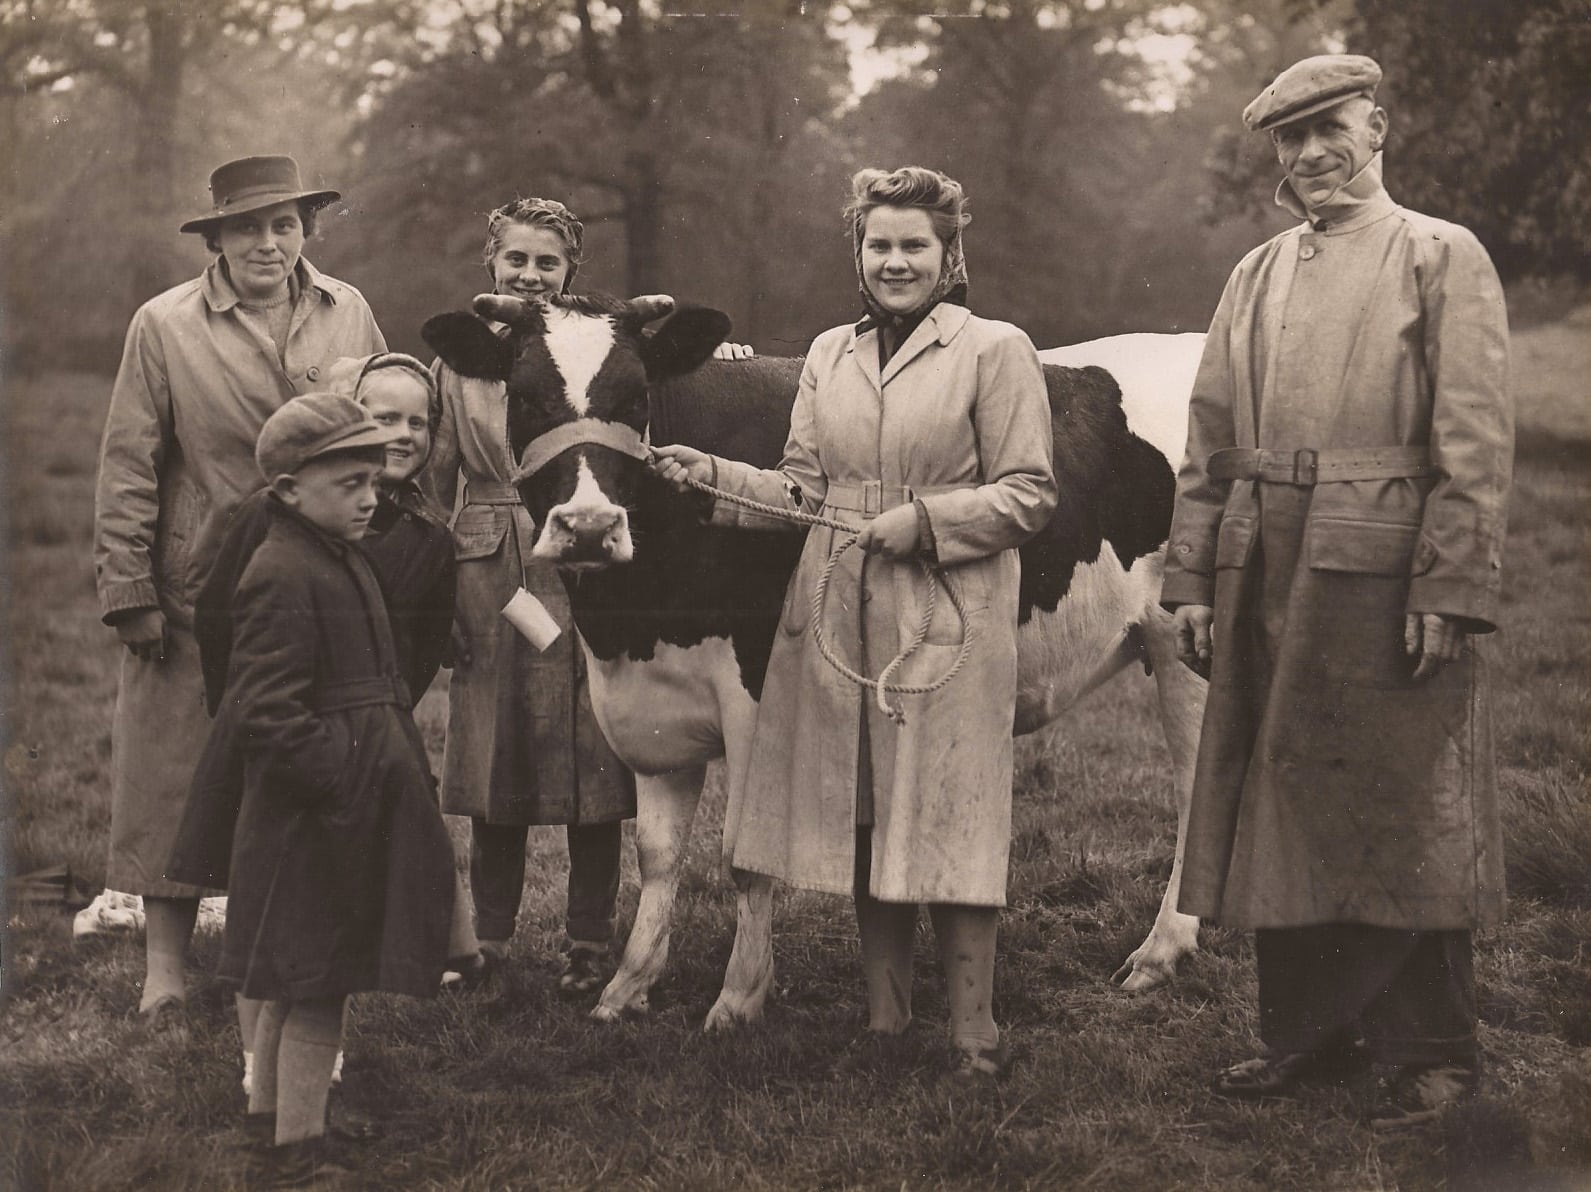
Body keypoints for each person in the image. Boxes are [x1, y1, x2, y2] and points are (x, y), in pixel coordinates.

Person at [1159, 55, 1512, 1128]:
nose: (1311, 153)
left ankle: (1433, 1048)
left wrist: (1447, 584)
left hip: (1382, 567)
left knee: (1401, 797)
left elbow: (1474, 443)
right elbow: (1209, 444)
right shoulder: (1255, 274)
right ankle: (1307, 1038)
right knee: (1282, 795)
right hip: (1261, 566)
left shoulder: (1440, 255)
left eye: (1332, 130)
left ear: (1379, 129)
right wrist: (1190, 577)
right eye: (1290, 138)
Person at [651, 166, 1057, 1077]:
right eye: (879, 244)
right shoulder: (831, 353)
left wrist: (926, 523)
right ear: (858, 254)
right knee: (867, 810)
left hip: (947, 607)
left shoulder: (995, 349)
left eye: (915, 244)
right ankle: (883, 1021)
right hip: (837, 604)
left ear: (950, 257)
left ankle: (973, 1031)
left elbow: (1029, 494)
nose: (895, 261)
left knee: (949, 806)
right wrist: (708, 473)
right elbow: (801, 489)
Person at [424, 196, 751, 996]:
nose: (530, 276)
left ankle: (587, 938)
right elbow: (433, 481)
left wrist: (724, 359)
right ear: (490, 265)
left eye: (548, 263)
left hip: (595, 554)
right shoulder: (458, 368)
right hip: (500, 564)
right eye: (515, 261)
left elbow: (650, 382)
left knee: (596, 763)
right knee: (495, 764)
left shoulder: (595, 345)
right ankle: (487, 938)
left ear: (572, 271)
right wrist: (439, 589)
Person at [93, 154, 386, 1018]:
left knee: (313, 758)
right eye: (248, 227)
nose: (269, 243)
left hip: (325, 577)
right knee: (170, 771)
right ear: (216, 238)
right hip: (202, 582)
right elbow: (128, 462)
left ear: (306, 231)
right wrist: (129, 588)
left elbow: (380, 433)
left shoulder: (349, 310)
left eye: (284, 225)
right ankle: (165, 970)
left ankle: (303, 948)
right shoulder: (163, 324)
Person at [171, 394, 455, 1185]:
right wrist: (339, 775)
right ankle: (297, 1152)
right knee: (316, 984)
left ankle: (270, 1122)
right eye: (350, 484)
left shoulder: (333, 552)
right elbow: (263, 708)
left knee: (298, 977)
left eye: (374, 481)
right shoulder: (282, 570)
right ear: (288, 492)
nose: (370, 498)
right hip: (314, 820)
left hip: (337, 806)